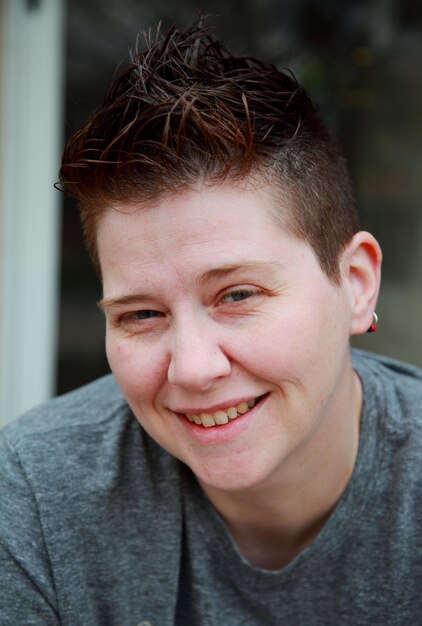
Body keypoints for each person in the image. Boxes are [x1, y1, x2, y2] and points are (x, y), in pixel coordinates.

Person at [1, 21, 421, 626]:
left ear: (355, 284)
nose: (194, 369)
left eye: (238, 294)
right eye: (141, 313)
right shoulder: (38, 491)